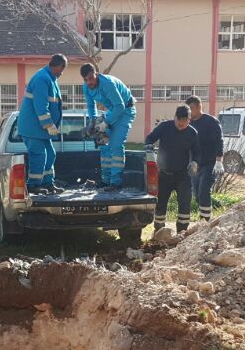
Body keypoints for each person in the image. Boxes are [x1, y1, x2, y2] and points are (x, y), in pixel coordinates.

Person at [145, 105, 200, 234]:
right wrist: (148, 147)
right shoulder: (164, 127)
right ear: (175, 118)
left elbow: (197, 152)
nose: (181, 125)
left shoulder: (192, 133)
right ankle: (159, 232)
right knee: (161, 204)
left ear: (189, 120)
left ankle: (182, 233)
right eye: (178, 122)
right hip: (164, 173)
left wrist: (195, 162)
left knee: (185, 205)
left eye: (184, 123)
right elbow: (150, 138)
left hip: (183, 175)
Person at [80, 63, 136, 188]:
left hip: (126, 110)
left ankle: (116, 183)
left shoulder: (107, 84)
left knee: (115, 145)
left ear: (96, 74)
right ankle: (105, 181)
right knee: (104, 144)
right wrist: (92, 122)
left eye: (91, 78)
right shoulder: (86, 87)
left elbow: (120, 106)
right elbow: (90, 106)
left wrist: (106, 122)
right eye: (85, 80)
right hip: (112, 110)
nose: (89, 82)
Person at [18, 54, 67, 194]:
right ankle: (33, 185)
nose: (62, 73)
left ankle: (47, 183)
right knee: (39, 155)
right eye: (62, 69)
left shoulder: (50, 78)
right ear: (56, 66)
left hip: (39, 129)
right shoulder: (42, 78)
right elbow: (41, 105)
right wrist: (49, 124)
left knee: (50, 154)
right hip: (32, 128)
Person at [185, 96, 224, 222]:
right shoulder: (189, 123)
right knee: (196, 194)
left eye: (190, 109)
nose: (189, 112)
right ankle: (202, 216)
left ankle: (205, 221)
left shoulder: (210, 122)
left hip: (209, 163)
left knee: (203, 191)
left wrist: (219, 161)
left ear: (198, 107)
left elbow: (219, 141)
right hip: (195, 164)